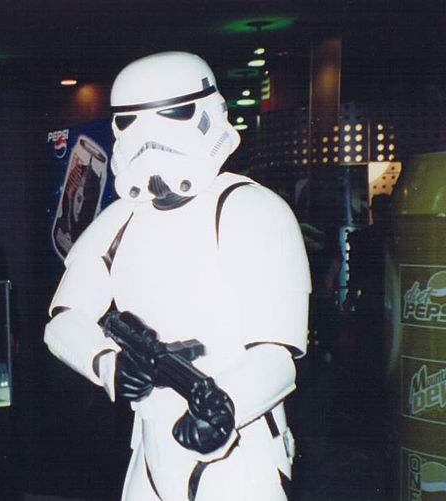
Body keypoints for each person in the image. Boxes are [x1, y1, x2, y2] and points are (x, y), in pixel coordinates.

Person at [44, 52, 311, 500]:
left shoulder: (251, 210)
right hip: (150, 444)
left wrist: (227, 406)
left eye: (171, 114)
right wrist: (107, 365)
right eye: (132, 121)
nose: (149, 138)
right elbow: (63, 321)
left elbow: (278, 354)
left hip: (239, 449)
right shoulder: (121, 220)